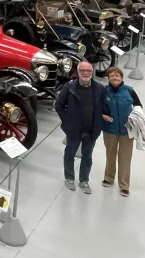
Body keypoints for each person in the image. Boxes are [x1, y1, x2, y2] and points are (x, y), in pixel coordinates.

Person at [55, 61, 110, 194]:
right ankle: (69, 177)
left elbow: (103, 107)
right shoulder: (69, 87)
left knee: (87, 156)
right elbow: (59, 106)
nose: (86, 73)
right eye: (83, 71)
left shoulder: (99, 88)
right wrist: (67, 121)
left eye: (88, 71)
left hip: (91, 130)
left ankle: (84, 180)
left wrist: (101, 120)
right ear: (78, 72)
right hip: (74, 129)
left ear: (92, 72)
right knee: (70, 153)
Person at [101, 66, 142, 197]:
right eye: (111, 75)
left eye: (117, 75)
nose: (114, 77)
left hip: (127, 131)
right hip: (109, 130)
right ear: (108, 78)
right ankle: (108, 177)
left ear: (121, 77)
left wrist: (134, 117)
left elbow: (138, 106)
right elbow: (98, 107)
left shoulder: (129, 91)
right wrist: (103, 116)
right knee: (110, 154)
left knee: (125, 158)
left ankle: (124, 185)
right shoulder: (104, 91)